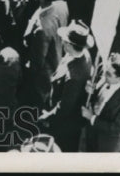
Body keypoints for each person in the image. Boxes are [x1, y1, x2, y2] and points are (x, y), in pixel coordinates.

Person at [42, 20, 93, 151]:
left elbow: (64, 107)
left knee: (60, 148)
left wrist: (47, 116)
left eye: (64, 40)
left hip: (65, 124)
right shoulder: (83, 54)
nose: (62, 42)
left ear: (69, 45)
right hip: (66, 115)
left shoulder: (74, 77)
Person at [84, 52, 120, 151]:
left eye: (108, 74)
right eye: (105, 70)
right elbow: (95, 91)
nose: (104, 75)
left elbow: (116, 129)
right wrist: (90, 91)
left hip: (106, 142)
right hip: (92, 131)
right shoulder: (105, 71)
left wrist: (91, 118)